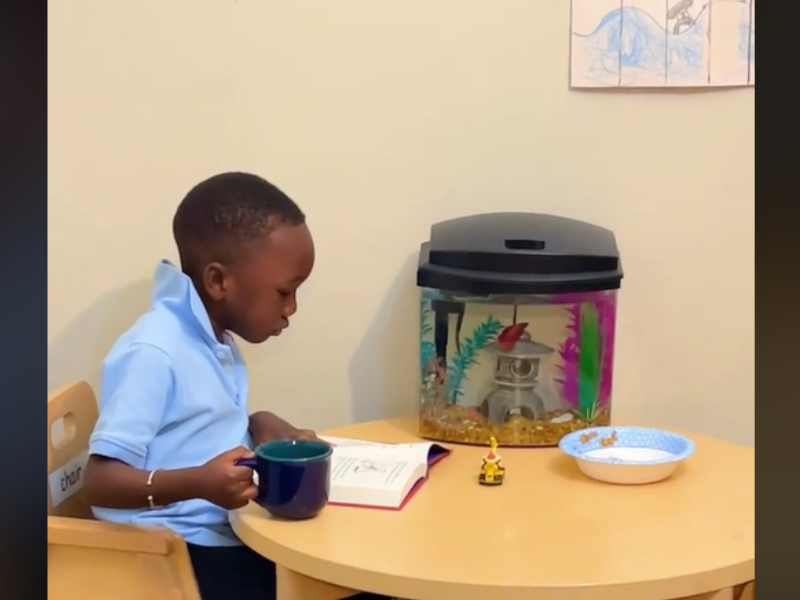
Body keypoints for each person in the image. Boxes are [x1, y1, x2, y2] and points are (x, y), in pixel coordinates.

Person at [83, 172, 393, 600]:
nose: (292, 308)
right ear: (218, 282)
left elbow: (190, 427)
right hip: (174, 557)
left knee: (361, 574)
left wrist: (258, 423)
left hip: (219, 535)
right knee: (355, 588)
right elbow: (99, 480)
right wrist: (200, 483)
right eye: (285, 291)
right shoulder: (153, 351)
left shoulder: (212, 336)